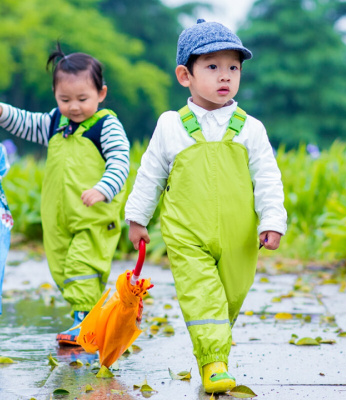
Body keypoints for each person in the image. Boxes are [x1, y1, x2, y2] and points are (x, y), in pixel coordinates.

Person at [125, 19, 287, 394]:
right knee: (202, 296)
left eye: (233, 67)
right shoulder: (171, 125)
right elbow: (150, 173)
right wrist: (137, 218)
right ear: (186, 75)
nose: (225, 76)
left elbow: (267, 178)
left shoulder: (250, 128)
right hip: (187, 233)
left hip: (240, 237)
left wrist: (273, 219)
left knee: (229, 298)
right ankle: (214, 363)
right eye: (212, 67)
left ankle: (214, 355)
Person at [0, 43, 130, 346]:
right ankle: (94, 314)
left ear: (101, 93)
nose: (74, 107)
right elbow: (26, 122)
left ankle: (84, 322)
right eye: (65, 99)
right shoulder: (55, 123)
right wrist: (0, 112)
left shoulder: (105, 126)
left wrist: (103, 189)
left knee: (81, 267)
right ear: (55, 96)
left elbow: (120, 160)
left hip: (94, 216)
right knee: (62, 268)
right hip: (58, 218)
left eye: (82, 99)